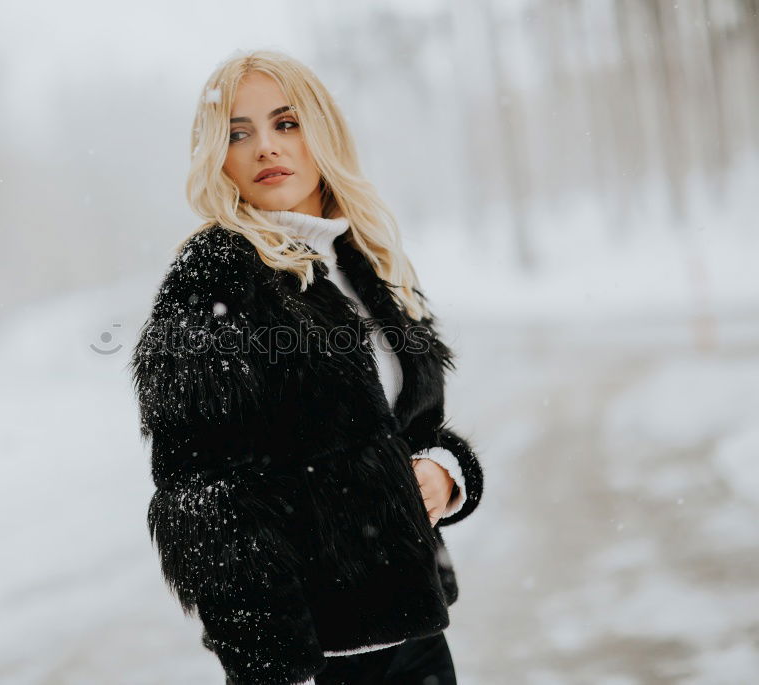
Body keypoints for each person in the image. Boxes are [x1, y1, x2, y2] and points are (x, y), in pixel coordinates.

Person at [129, 49, 483, 685]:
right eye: (239, 133)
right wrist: (275, 667)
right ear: (219, 156)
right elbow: (203, 500)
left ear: (323, 133)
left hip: (418, 634)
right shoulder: (213, 279)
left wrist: (445, 472)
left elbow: (411, 427)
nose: (266, 147)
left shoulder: (362, 261)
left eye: (285, 123)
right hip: (318, 661)